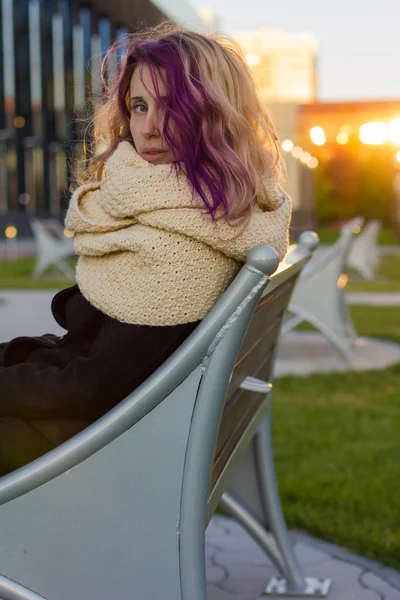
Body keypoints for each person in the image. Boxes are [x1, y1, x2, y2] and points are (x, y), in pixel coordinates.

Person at [0, 23, 291, 473]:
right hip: (110, 423)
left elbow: (88, 387)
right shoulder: (202, 214)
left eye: (173, 107)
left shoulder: (185, 248)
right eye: (139, 106)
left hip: (95, 450)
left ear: (216, 113)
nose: (149, 128)